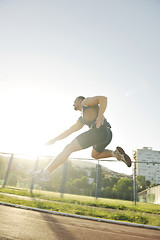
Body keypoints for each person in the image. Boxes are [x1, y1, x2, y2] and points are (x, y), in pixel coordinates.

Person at [32, 96, 131, 182]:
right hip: (108, 134)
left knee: (69, 148)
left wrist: (100, 116)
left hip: (98, 131)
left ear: (79, 100)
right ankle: (115, 153)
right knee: (95, 155)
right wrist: (54, 139)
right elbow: (69, 131)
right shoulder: (81, 119)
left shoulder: (86, 102)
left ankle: (45, 173)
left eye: (74, 101)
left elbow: (103, 99)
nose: (73, 104)